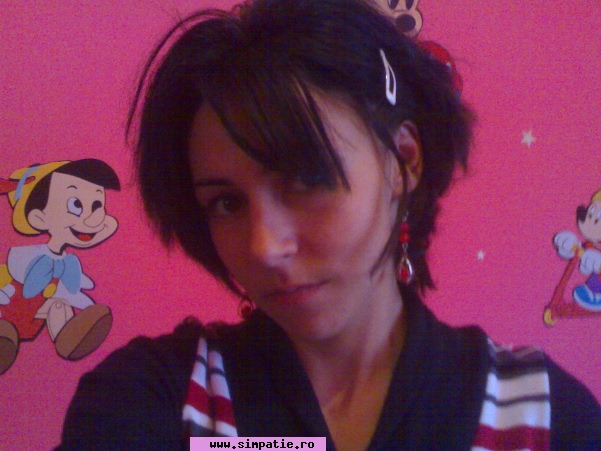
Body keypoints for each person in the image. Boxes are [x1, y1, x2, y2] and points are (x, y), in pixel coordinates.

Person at [56, 0, 601, 449]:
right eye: (226, 203)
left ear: (403, 161)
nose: (264, 246)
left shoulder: (540, 415)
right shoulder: (157, 397)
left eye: (307, 177)